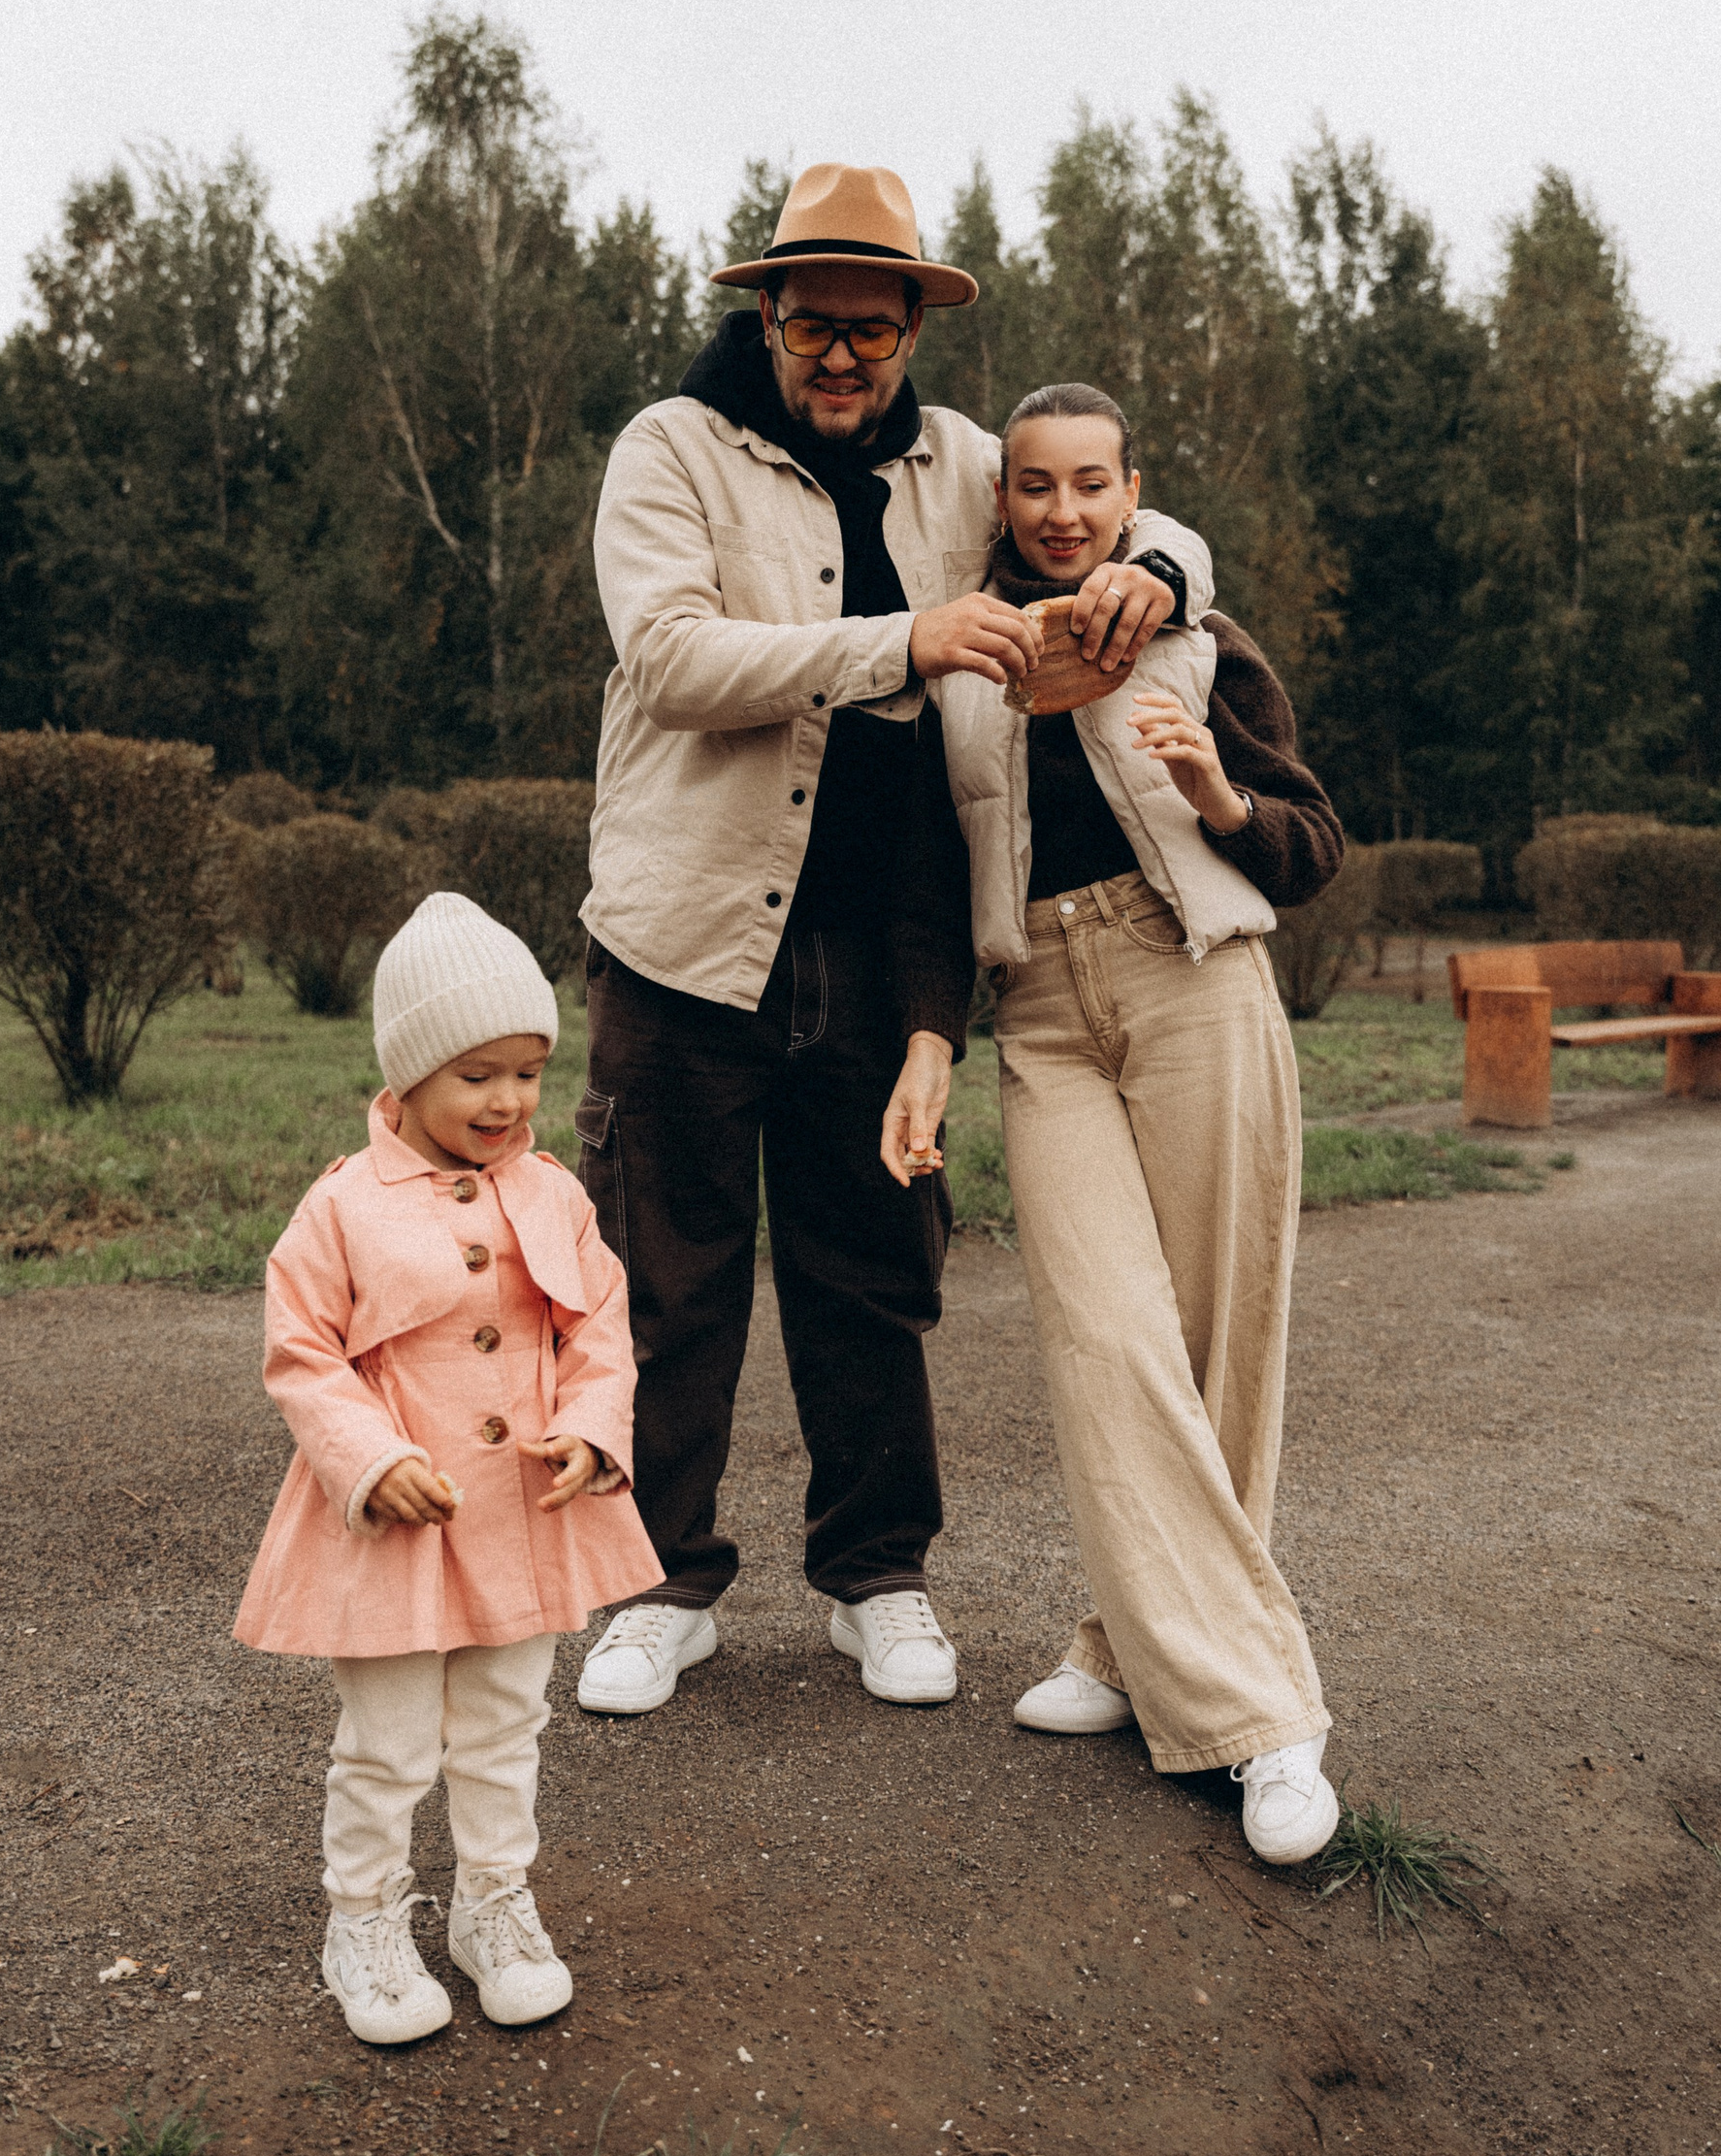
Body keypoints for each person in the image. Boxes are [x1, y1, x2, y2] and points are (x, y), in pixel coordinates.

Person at [571, 164, 1213, 1715]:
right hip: (683, 936)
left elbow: (1119, 510)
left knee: (869, 1271)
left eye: (875, 328)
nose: (844, 357)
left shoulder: (966, 463)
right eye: (815, 326)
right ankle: (658, 1587)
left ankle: (877, 1576)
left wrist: (1158, 569)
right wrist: (904, 639)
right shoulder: (671, 448)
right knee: (667, 1276)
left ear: (915, 326)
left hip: (878, 940)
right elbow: (668, 658)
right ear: (768, 318)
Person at [930, 381, 1344, 1862]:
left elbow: (1312, 843)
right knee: (1107, 1337)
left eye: (1091, 483)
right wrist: (927, 1038)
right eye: (1035, 484)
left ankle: (1138, 1655)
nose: (1063, 511)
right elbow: (923, 870)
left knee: (1222, 1342)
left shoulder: (1196, 631)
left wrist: (1218, 795)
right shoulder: (965, 653)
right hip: (1041, 1007)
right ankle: (1259, 1708)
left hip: (1195, 980)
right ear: (1002, 498)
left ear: (1131, 490)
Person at [234, 894, 664, 2042]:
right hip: (394, 1525)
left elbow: (601, 1321)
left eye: (529, 1071)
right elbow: (301, 1350)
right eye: (477, 1074)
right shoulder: (342, 1205)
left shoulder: (553, 1192)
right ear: (410, 1072)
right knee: (386, 1741)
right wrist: (368, 1457)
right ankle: (363, 1918)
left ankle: (492, 1902)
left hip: (522, 1511)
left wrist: (594, 1426)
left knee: (504, 1721)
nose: (509, 1099)